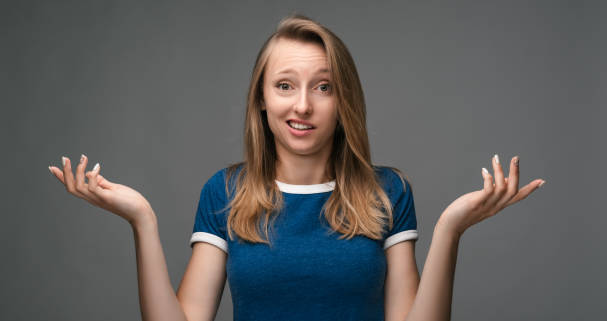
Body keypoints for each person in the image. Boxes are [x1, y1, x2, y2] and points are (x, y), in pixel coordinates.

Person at [48, 14, 545, 321]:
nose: (302, 105)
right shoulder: (225, 192)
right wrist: (143, 221)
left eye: (323, 87)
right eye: (285, 85)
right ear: (262, 100)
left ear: (343, 100)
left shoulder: (387, 193)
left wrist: (451, 230)